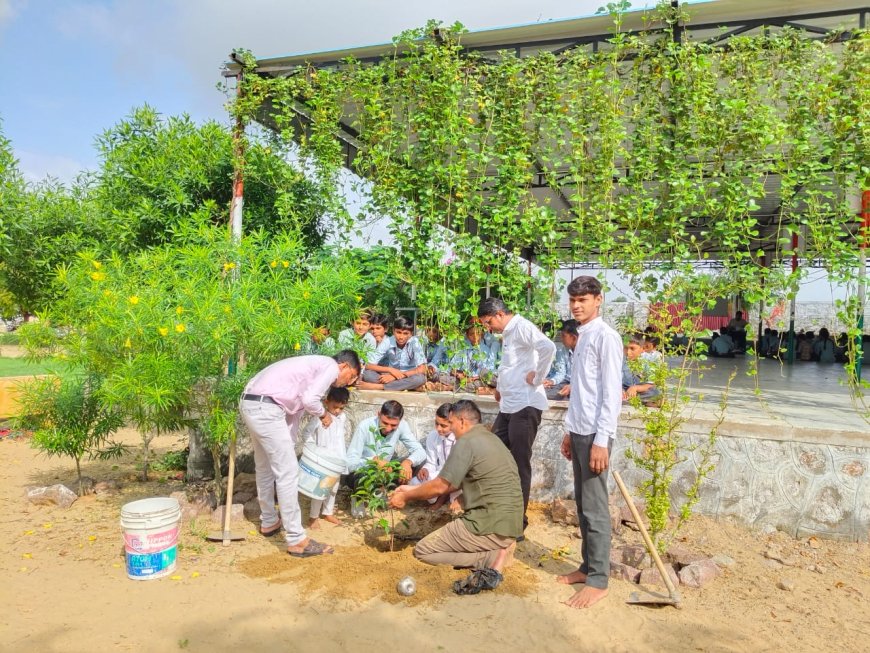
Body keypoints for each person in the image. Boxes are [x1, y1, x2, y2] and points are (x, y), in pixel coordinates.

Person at [389, 400, 523, 595]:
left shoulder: (466, 442)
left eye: (450, 423)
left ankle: (488, 558)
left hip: (487, 523)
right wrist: (408, 491)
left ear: (462, 421)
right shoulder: (491, 438)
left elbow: (441, 485)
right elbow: (453, 483)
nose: (449, 428)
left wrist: (406, 497)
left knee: (423, 550)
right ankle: (500, 546)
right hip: (511, 522)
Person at [239, 350, 361, 558]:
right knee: (288, 474)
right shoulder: (329, 367)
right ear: (344, 366)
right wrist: (323, 415)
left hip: (252, 403)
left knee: (265, 468)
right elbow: (310, 400)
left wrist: (290, 444)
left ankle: (269, 521)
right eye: (351, 377)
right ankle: (297, 540)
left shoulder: (310, 369)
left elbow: (294, 415)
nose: (346, 383)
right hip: (267, 408)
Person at [557, 276, 622, 609]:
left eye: (583, 299)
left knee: (595, 509)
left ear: (599, 300)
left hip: (596, 436)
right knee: (583, 505)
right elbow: (582, 392)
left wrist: (601, 441)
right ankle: (586, 567)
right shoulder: (582, 337)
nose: (577, 305)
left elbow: (611, 395)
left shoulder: (607, 338)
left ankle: (599, 579)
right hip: (580, 431)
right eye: (573, 300)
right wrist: (570, 431)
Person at [478, 297, 556, 536]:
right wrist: (501, 388)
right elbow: (510, 365)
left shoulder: (521, 327)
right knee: (496, 454)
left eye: (489, 322)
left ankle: (516, 523)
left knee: (519, 463)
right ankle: (498, 510)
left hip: (526, 405)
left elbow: (548, 347)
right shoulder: (509, 334)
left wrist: (538, 376)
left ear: (499, 314)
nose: (489, 328)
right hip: (509, 405)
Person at [300, 386, 350, 529]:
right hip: (323, 461)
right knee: (320, 489)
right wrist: (312, 448)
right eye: (335, 407)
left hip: (337, 459)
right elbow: (306, 433)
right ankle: (313, 517)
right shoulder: (319, 418)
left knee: (333, 488)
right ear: (326, 402)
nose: (337, 411)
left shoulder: (342, 417)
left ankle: (327, 512)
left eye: (341, 408)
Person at [346, 399, 426, 485]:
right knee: (362, 477)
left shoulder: (402, 425)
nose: (388, 429)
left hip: (387, 470)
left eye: (393, 425)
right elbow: (350, 463)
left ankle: (395, 491)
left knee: (415, 464)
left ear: (400, 420)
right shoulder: (364, 426)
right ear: (379, 415)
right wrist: (374, 461)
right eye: (385, 423)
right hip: (364, 471)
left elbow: (420, 451)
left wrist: (408, 462)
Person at [408, 402, 459, 509]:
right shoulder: (433, 436)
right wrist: (425, 469)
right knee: (414, 483)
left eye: (443, 426)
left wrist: (439, 503)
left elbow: (455, 474)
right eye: (436, 423)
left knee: (456, 501)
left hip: (456, 479)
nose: (438, 428)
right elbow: (431, 462)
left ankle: (443, 499)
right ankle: (437, 498)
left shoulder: (459, 439)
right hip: (439, 475)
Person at [359, 316, 428, 391]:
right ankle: (406, 386)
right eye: (398, 332)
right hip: (390, 375)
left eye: (405, 333)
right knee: (367, 374)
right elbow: (368, 365)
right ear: (393, 331)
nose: (401, 337)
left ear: (411, 334)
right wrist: (390, 370)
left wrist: (396, 376)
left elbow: (423, 369)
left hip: (409, 375)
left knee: (420, 378)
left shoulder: (415, 342)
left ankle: (380, 387)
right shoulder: (388, 341)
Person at [622, 332, 661, 405]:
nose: (628, 352)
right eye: (626, 348)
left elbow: (650, 384)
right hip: (622, 388)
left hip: (639, 389)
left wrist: (635, 388)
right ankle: (640, 401)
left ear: (643, 348)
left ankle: (628, 399)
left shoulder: (650, 360)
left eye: (632, 348)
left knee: (655, 392)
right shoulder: (619, 358)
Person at [544, 320, 578, 400]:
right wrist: (552, 381)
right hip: (564, 382)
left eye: (563, 336)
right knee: (543, 394)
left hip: (579, 384)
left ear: (573, 337)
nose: (561, 339)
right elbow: (561, 373)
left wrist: (573, 386)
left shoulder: (586, 352)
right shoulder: (562, 351)